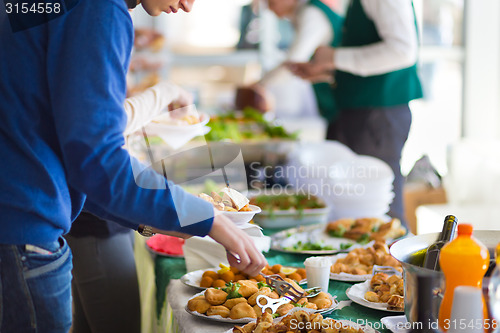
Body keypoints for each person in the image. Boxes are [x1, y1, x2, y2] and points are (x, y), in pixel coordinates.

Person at [0, 0, 267, 332]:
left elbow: (68, 154)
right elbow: (97, 161)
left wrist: (175, 220)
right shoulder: (97, 8)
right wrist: (211, 220)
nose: (188, 5)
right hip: (20, 233)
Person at [67, 81, 193, 333]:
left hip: (97, 215)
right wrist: (168, 90)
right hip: (93, 222)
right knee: (119, 325)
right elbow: (104, 125)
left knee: (88, 323)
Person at [289, 0, 423, 226]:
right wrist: (330, 72)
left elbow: (403, 50)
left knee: (379, 211)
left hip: (377, 114)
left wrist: (334, 57)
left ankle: (392, 261)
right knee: (352, 203)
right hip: (363, 111)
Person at [241, 0, 343, 122]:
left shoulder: (311, 14)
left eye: (271, 2)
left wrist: (259, 84)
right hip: (334, 96)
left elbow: (294, 62)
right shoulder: (301, 15)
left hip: (349, 97)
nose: (268, 8)